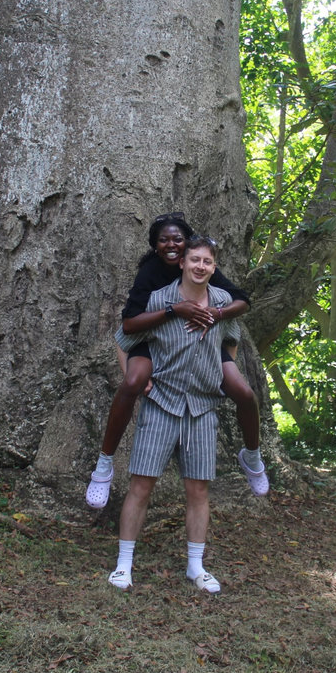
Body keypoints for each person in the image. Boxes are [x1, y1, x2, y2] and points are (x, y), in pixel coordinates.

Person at [85, 213, 267, 509]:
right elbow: (128, 326)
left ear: (187, 247)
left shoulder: (201, 268)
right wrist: (175, 310)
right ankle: (104, 465)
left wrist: (217, 314)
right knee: (132, 382)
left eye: (178, 239)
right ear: (155, 245)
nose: (171, 245)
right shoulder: (150, 272)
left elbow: (242, 302)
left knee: (244, 393)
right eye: (163, 240)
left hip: (202, 343)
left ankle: (252, 455)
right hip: (153, 339)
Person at [108, 235, 238, 593]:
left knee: (198, 489)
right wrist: (138, 380)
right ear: (182, 262)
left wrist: (221, 375)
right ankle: (123, 565)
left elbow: (231, 342)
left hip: (202, 408)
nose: (200, 266)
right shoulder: (159, 301)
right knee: (141, 485)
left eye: (207, 262)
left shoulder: (224, 303)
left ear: (214, 267)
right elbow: (123, 340)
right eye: (194, 259)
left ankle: (196, 567)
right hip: (162, 404)